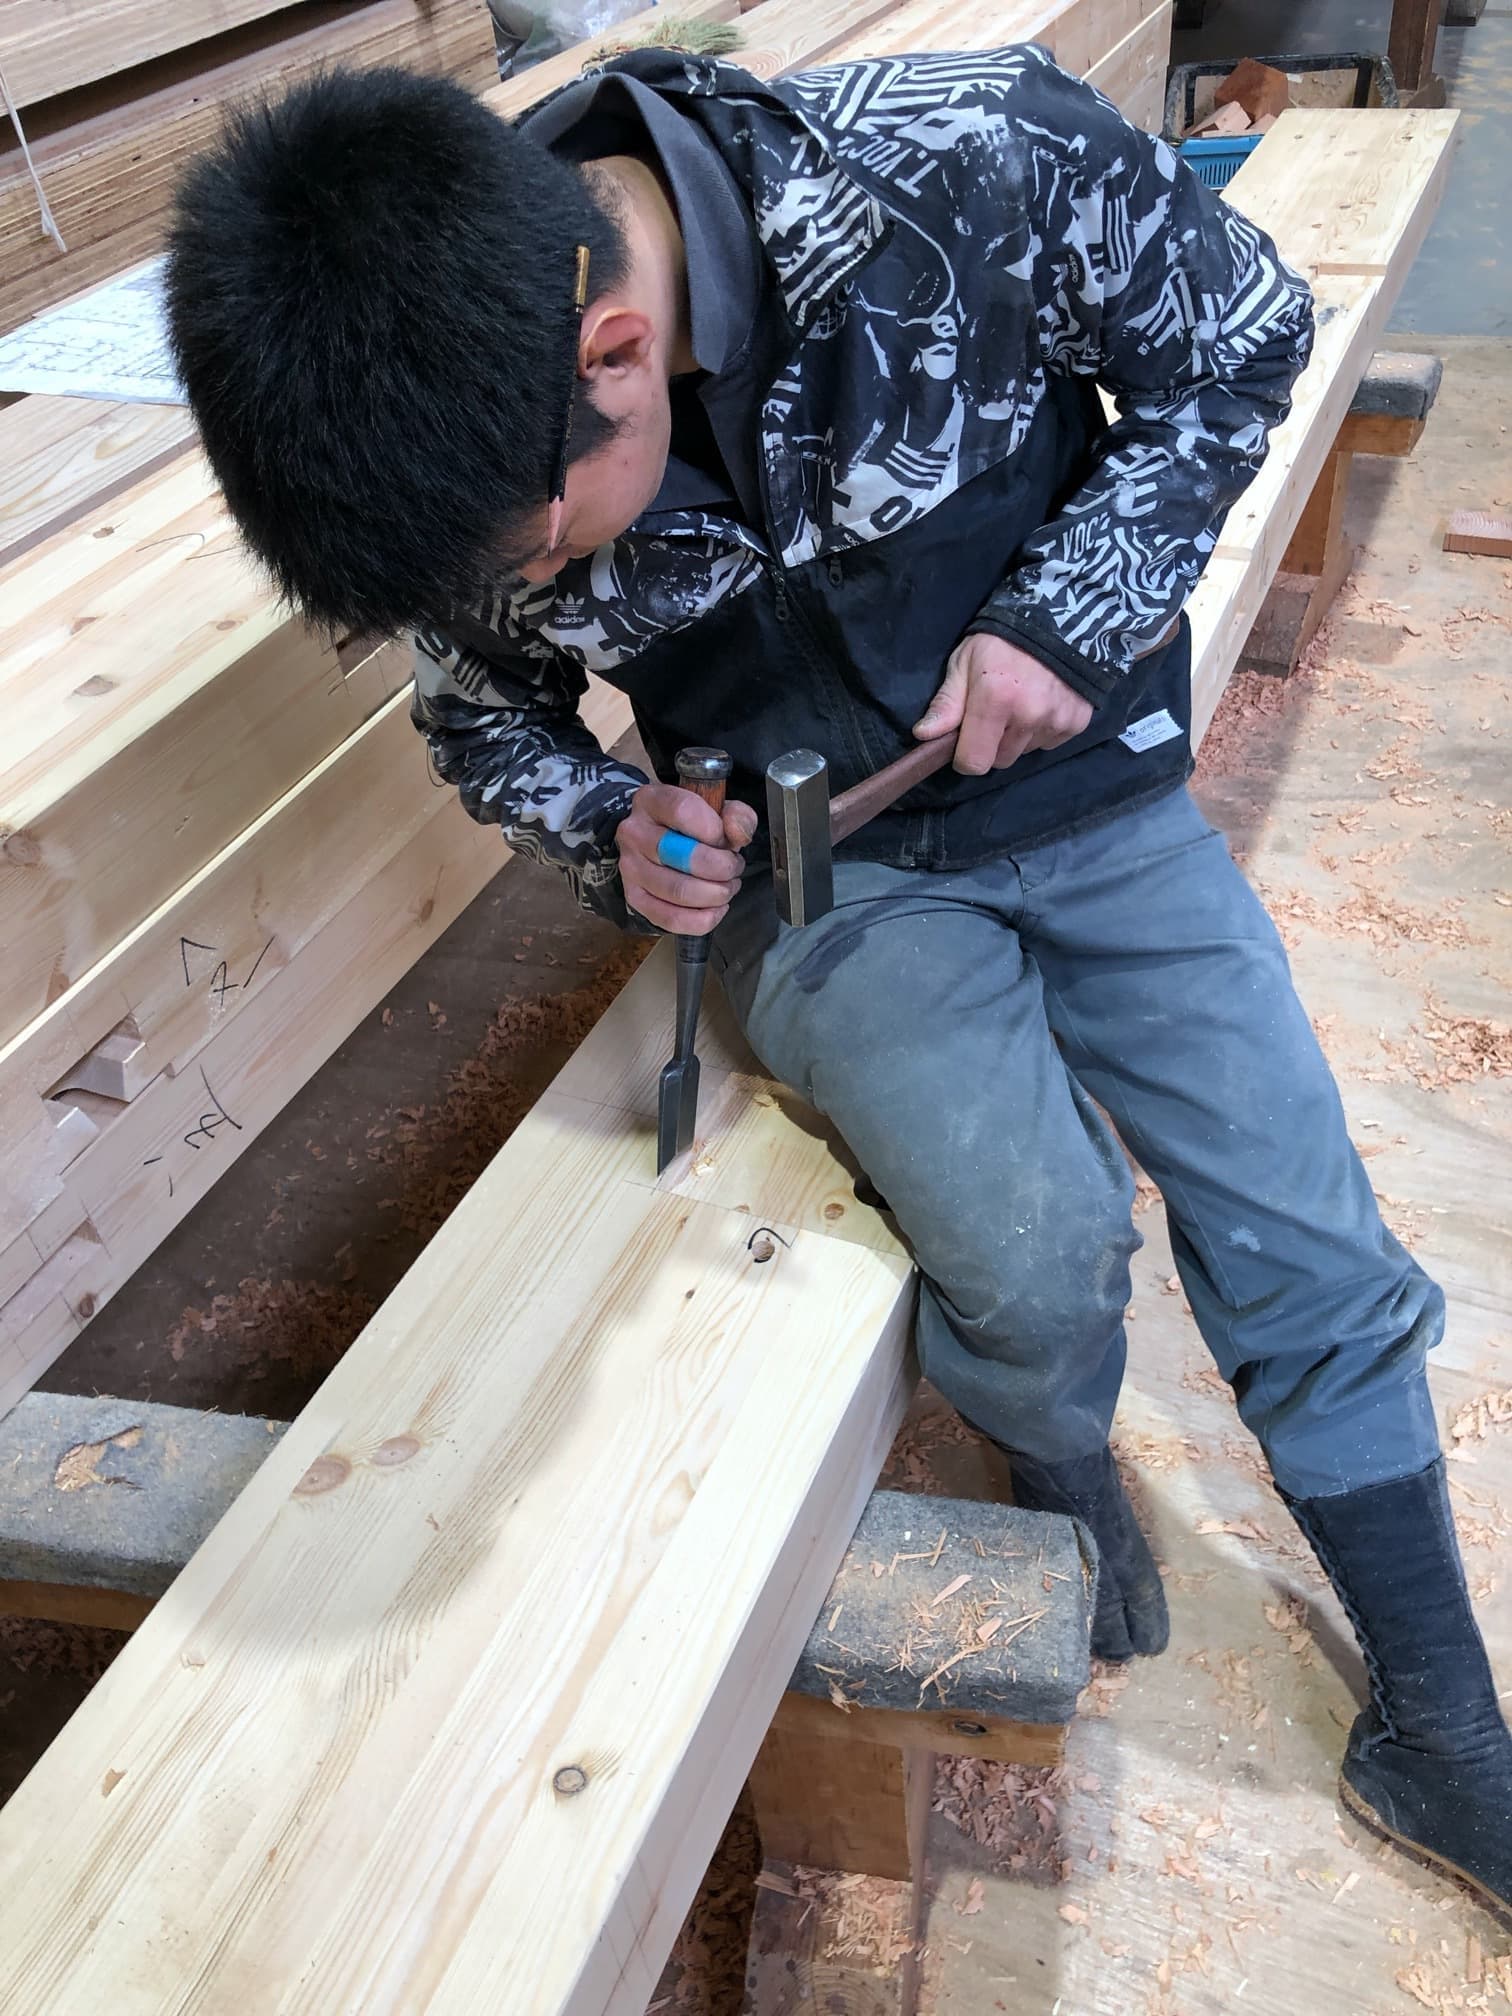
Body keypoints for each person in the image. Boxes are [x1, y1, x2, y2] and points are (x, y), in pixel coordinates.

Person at [165, 50, 1510, 1919]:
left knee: (1302, 1225)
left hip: (1088, 791)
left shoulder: (966, 163)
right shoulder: (453, 431)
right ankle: (1059, 1474)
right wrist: (615, 827)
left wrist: (1065, 617)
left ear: (618, 351)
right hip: (829, 881)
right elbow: (481, 719)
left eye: (543, 546)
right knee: (1032, 1249)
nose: (530, 581)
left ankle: (1443, 1729)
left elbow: (1242, 348)